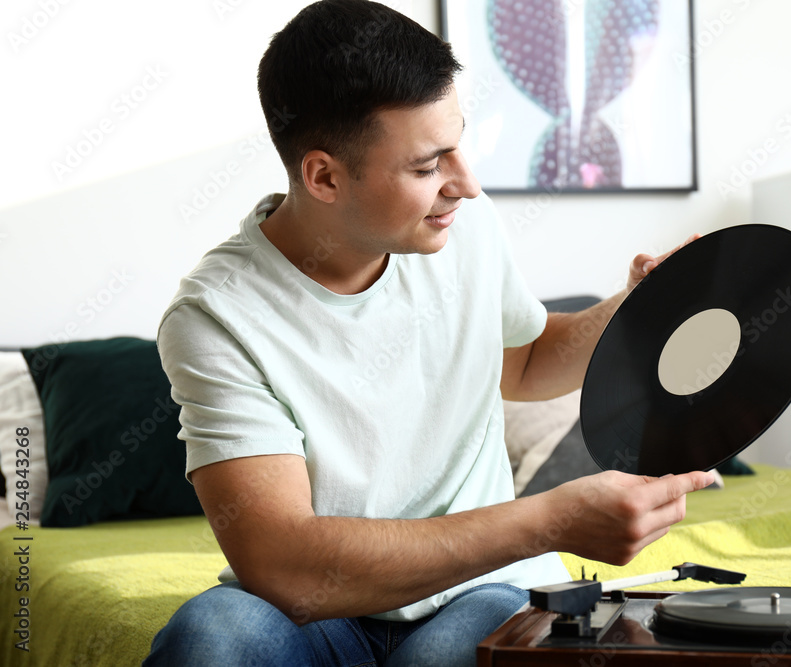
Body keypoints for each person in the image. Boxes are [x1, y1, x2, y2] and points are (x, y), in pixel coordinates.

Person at [144, 1, 711, 665]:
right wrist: (550, 519)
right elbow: (285, 564)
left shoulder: (461, 226)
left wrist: (638, 308)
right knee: (210, 638)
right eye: (426, 166)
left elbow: (525, 363)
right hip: (314, 609)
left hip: (482, 588)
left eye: (458, 145)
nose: (465, 184)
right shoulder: (218, 315)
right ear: (323, 175)